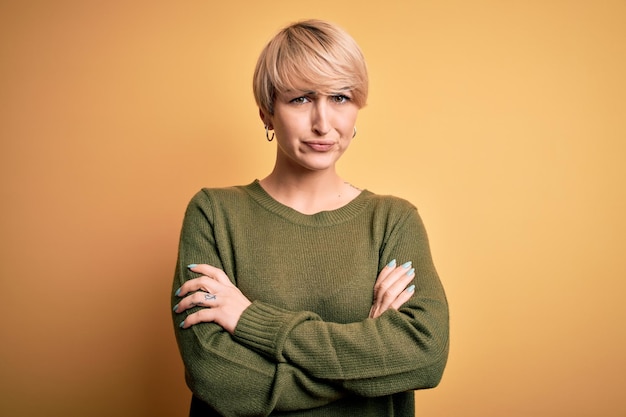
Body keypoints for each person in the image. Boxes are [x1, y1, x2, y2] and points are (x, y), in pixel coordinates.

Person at [171, 19, 449, 417]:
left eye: (340, 98)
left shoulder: (393, 220)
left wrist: (252, 320)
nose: (323, 122)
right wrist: (369, 366)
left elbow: (425, 355)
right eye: (300, 99)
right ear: (267, 113)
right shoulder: (214, 214)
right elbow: (216, 377)